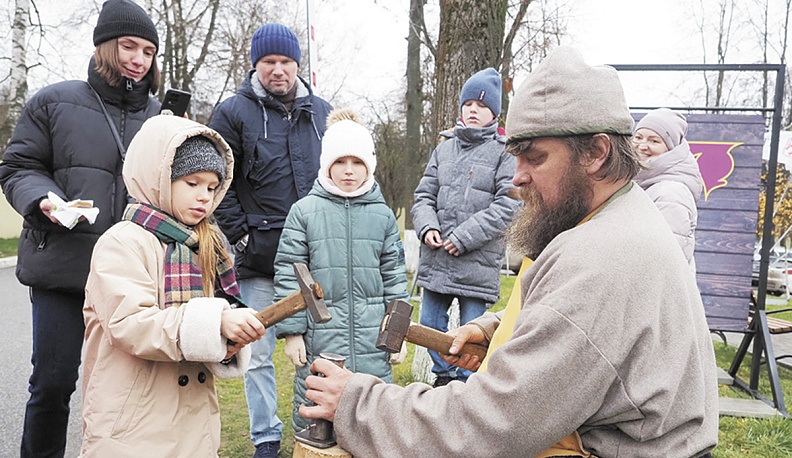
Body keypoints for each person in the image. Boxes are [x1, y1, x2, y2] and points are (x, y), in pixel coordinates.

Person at [297, 46, 719, 457]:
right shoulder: (623, 213)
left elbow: (489, 427)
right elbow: (584, 322)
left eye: (534, 158)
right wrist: (499, 329)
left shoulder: (603, 257)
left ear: (596, 152)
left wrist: (358, 402)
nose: (517, 178)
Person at [0, 1, 161, 455]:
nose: (138, 59)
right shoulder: (53, 101)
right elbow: (18, 167)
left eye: (148, 51)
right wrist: (42, 199)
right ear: (104, 47)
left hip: (131, 280)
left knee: (124, 393)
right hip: (63, 271)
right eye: (129, 46)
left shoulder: (159, 119)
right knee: (52, 386)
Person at [80, 115, 267, 456]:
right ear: (159, 177)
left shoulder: (206, 245)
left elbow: (209, 328)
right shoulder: (123, 242)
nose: (204, 198)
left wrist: (228, 337)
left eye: (212, 187)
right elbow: (131, 324)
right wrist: (215, 322)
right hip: (133, 419)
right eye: (192, 183)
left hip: (192, 418)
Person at [208, 22, 333, 458]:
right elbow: (215, 182)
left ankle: (316, 427)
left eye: (285, 62)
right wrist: (239, 237)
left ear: (298, 64)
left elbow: (336, 178)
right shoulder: (231, 114)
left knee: (321, 349)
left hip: (314, 258)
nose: (277, 71)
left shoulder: (322, 112)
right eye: (268, 63)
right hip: (256, 259)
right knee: (257, 355)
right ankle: (265, 438)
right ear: (255, 65)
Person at [273, 108, 409, 430]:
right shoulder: (304, 212)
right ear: (327, 165)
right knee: (318, 416)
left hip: (373, 342)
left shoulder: (383, 216)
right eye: (340, 162)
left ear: (369, 166)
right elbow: (289, 273)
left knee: (374, 420)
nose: (349, 171)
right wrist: (292, 332)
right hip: (322, 339)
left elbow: (395, 277)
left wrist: (398, 333)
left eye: (357, 162)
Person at [411, 67, 520, 387]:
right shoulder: (443, 148)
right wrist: (427, 227)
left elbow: (509, 205)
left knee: (474, 332)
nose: (474, 110)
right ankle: (443, 379)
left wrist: (463, 237)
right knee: (429, 324)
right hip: (437, 258)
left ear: (495, 114)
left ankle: (467, 385)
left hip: (477, 261)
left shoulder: (505, 153)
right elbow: (423, 197)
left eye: (483, 106)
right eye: (469, 104)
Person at [632, 108, 703, 271]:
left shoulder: (670, 192)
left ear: (670, 148)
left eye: (654, 141)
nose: (642, 146)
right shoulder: (642, 182)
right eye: (638, 137)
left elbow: (662, 260)